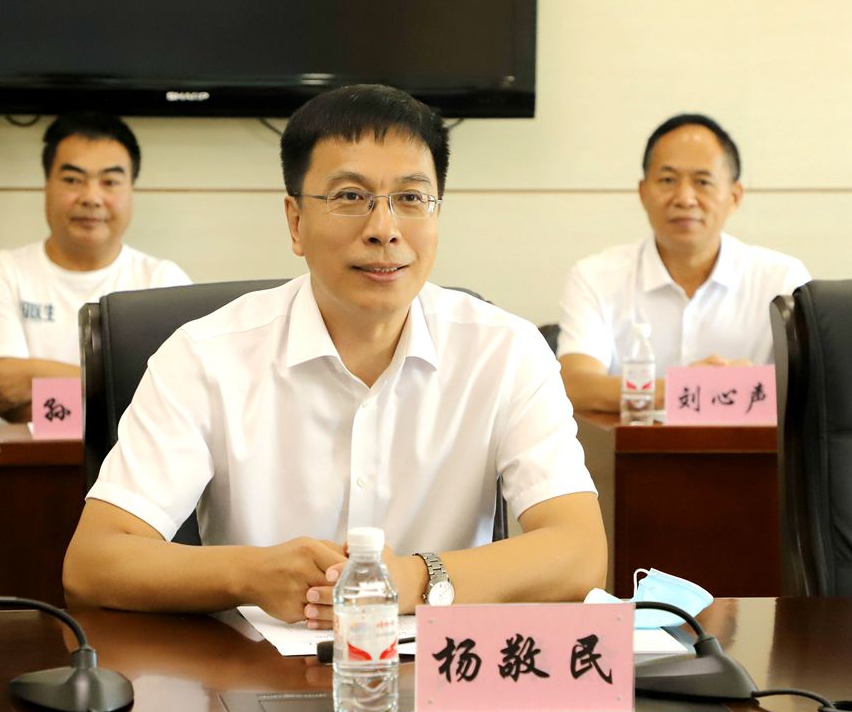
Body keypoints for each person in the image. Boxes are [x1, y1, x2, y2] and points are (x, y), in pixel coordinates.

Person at [63, 84, 606, 624]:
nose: (384, 230)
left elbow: (580, 552)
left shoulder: (505, 351)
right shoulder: (205, 357)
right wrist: (249, 574)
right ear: (296, 222)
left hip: (439, 668)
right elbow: (93, 563)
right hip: (252, 667)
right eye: (349, 197)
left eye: (411, 199)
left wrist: (415, 579)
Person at [557, 113, 811, 413]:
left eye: (702, 182)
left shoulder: (782, 279)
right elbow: (575, 385)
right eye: (668, 180)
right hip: (629, 445)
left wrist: (695, 392)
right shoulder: (595, 277)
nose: (685, 198)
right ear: (643, 192)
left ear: (734, 196)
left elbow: (814, 389)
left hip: (754, 445)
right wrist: (686, 389)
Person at [0, 112, 191, 422]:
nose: (91, 197)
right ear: (46, 185)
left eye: (110, 182)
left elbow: (178, 398)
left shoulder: (163, 282)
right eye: (72, 180)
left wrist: (37, 379)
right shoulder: (0, 272)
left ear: (131, 189)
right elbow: (6, 394)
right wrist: (124, 388)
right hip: (24, 453)